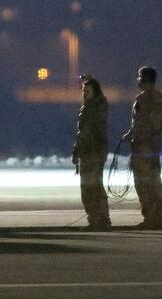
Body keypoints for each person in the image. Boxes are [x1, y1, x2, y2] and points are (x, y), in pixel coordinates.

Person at [123, 65, 162, 229]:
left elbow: (155, 123)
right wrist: (131, 134)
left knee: (149, 182)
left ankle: (156, 217)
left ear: (146, 79)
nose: (137, 80)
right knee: (146, 182)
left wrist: (141, 138)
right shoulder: (142, 98)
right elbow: (139, 122)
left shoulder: (155, 98)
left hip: (147, 147)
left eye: (140, 77)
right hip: (141, 146)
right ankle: (154, 217)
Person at [72, 74, 111, 230]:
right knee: (90, 187)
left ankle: (99, 219)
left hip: (93, 151)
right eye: (83, 90)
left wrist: (78, 149)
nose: (84, 93)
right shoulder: (89, 107)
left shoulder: (95, 107)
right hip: (89, 151)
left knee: (92, 187)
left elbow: (86, 131)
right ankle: (97, 219)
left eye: (88, 90)